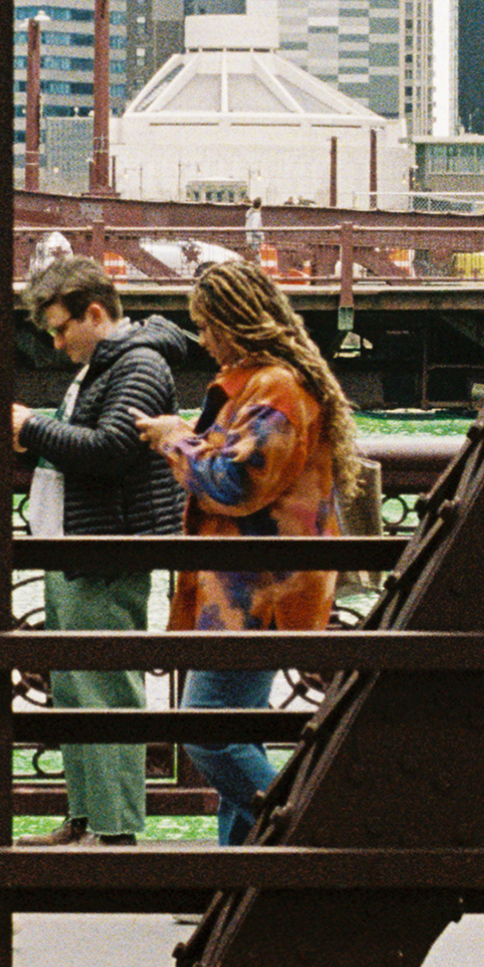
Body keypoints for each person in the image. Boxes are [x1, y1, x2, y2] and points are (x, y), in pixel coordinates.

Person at [138, 258, 352, 845]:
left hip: (254, 592)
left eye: (206, 326)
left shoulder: (276, 387)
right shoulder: (269, 384)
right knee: (237, 729)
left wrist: (173, 439)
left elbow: (236, 483)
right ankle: (241, 874)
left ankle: (300, 839)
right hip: (253, 586)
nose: (202, 340)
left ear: (235, 323)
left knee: (209, 730)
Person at [11, 257, 188, 847]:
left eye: (63, 329)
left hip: (105, 549)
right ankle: (88, 819)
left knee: (105, 687)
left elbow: (112, 449)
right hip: (77, 546)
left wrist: (31, 428)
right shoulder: (105, 364)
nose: (57, 343)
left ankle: (113, 833)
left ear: (95, 312)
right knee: (75, 686)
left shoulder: (137, 363)